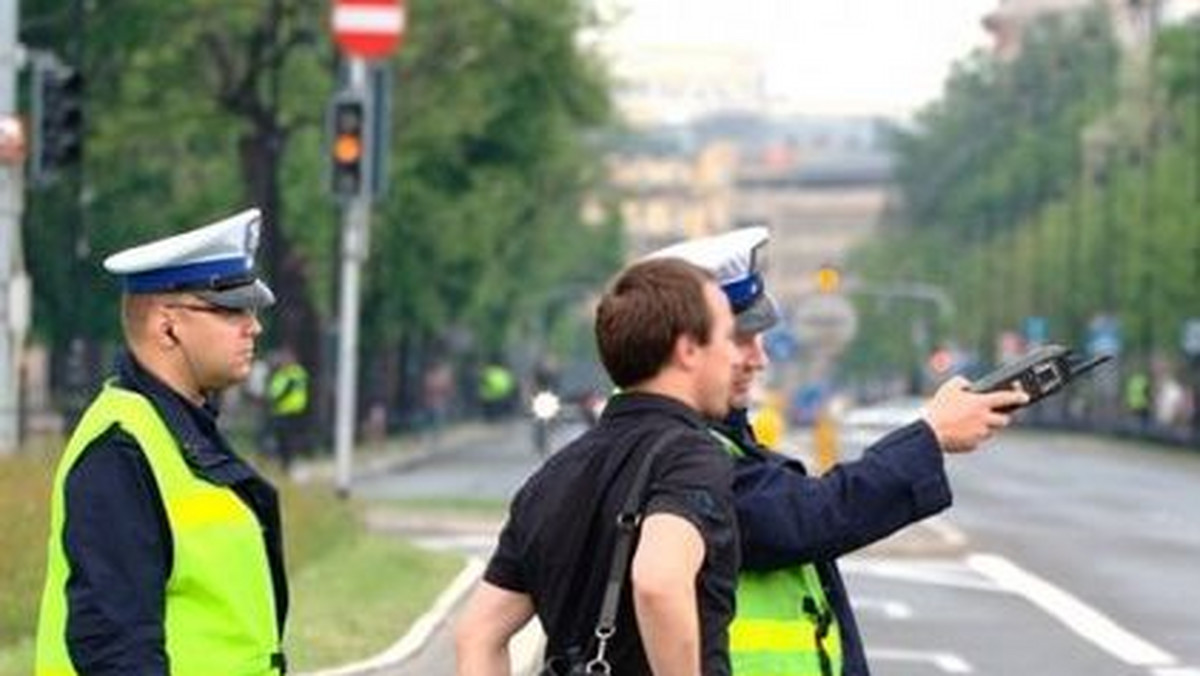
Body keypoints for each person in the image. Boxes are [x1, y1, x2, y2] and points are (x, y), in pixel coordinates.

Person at [649, 227, 1028, 676]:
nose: (758, 359)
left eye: (760, 338)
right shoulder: (680, 452)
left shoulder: (685, 437)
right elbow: (804, 517)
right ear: (687, 348)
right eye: (739, 340)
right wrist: (930, 434)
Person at [455, 258, 746, 675]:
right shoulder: (690, 457)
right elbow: (658, 582)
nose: (737, 357)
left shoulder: (551, 476)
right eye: (728, 338)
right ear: (687, 349)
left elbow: (477, 635)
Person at [36, 208, 289, 675]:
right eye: (231, 309)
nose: (252, 326)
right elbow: (116, 650)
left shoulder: (180, 434)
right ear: (166, 325)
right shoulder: (120, 451)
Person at [268, 345, 309, 471]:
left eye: (285, 359)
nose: (283, 361)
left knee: (287, 438)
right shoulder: (282, 373)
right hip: (281, 410)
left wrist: (275, 400)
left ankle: (288, 463)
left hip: (290, 410)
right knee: (282, 438)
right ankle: (284, 462)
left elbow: (286, 390)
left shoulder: (294, 373)